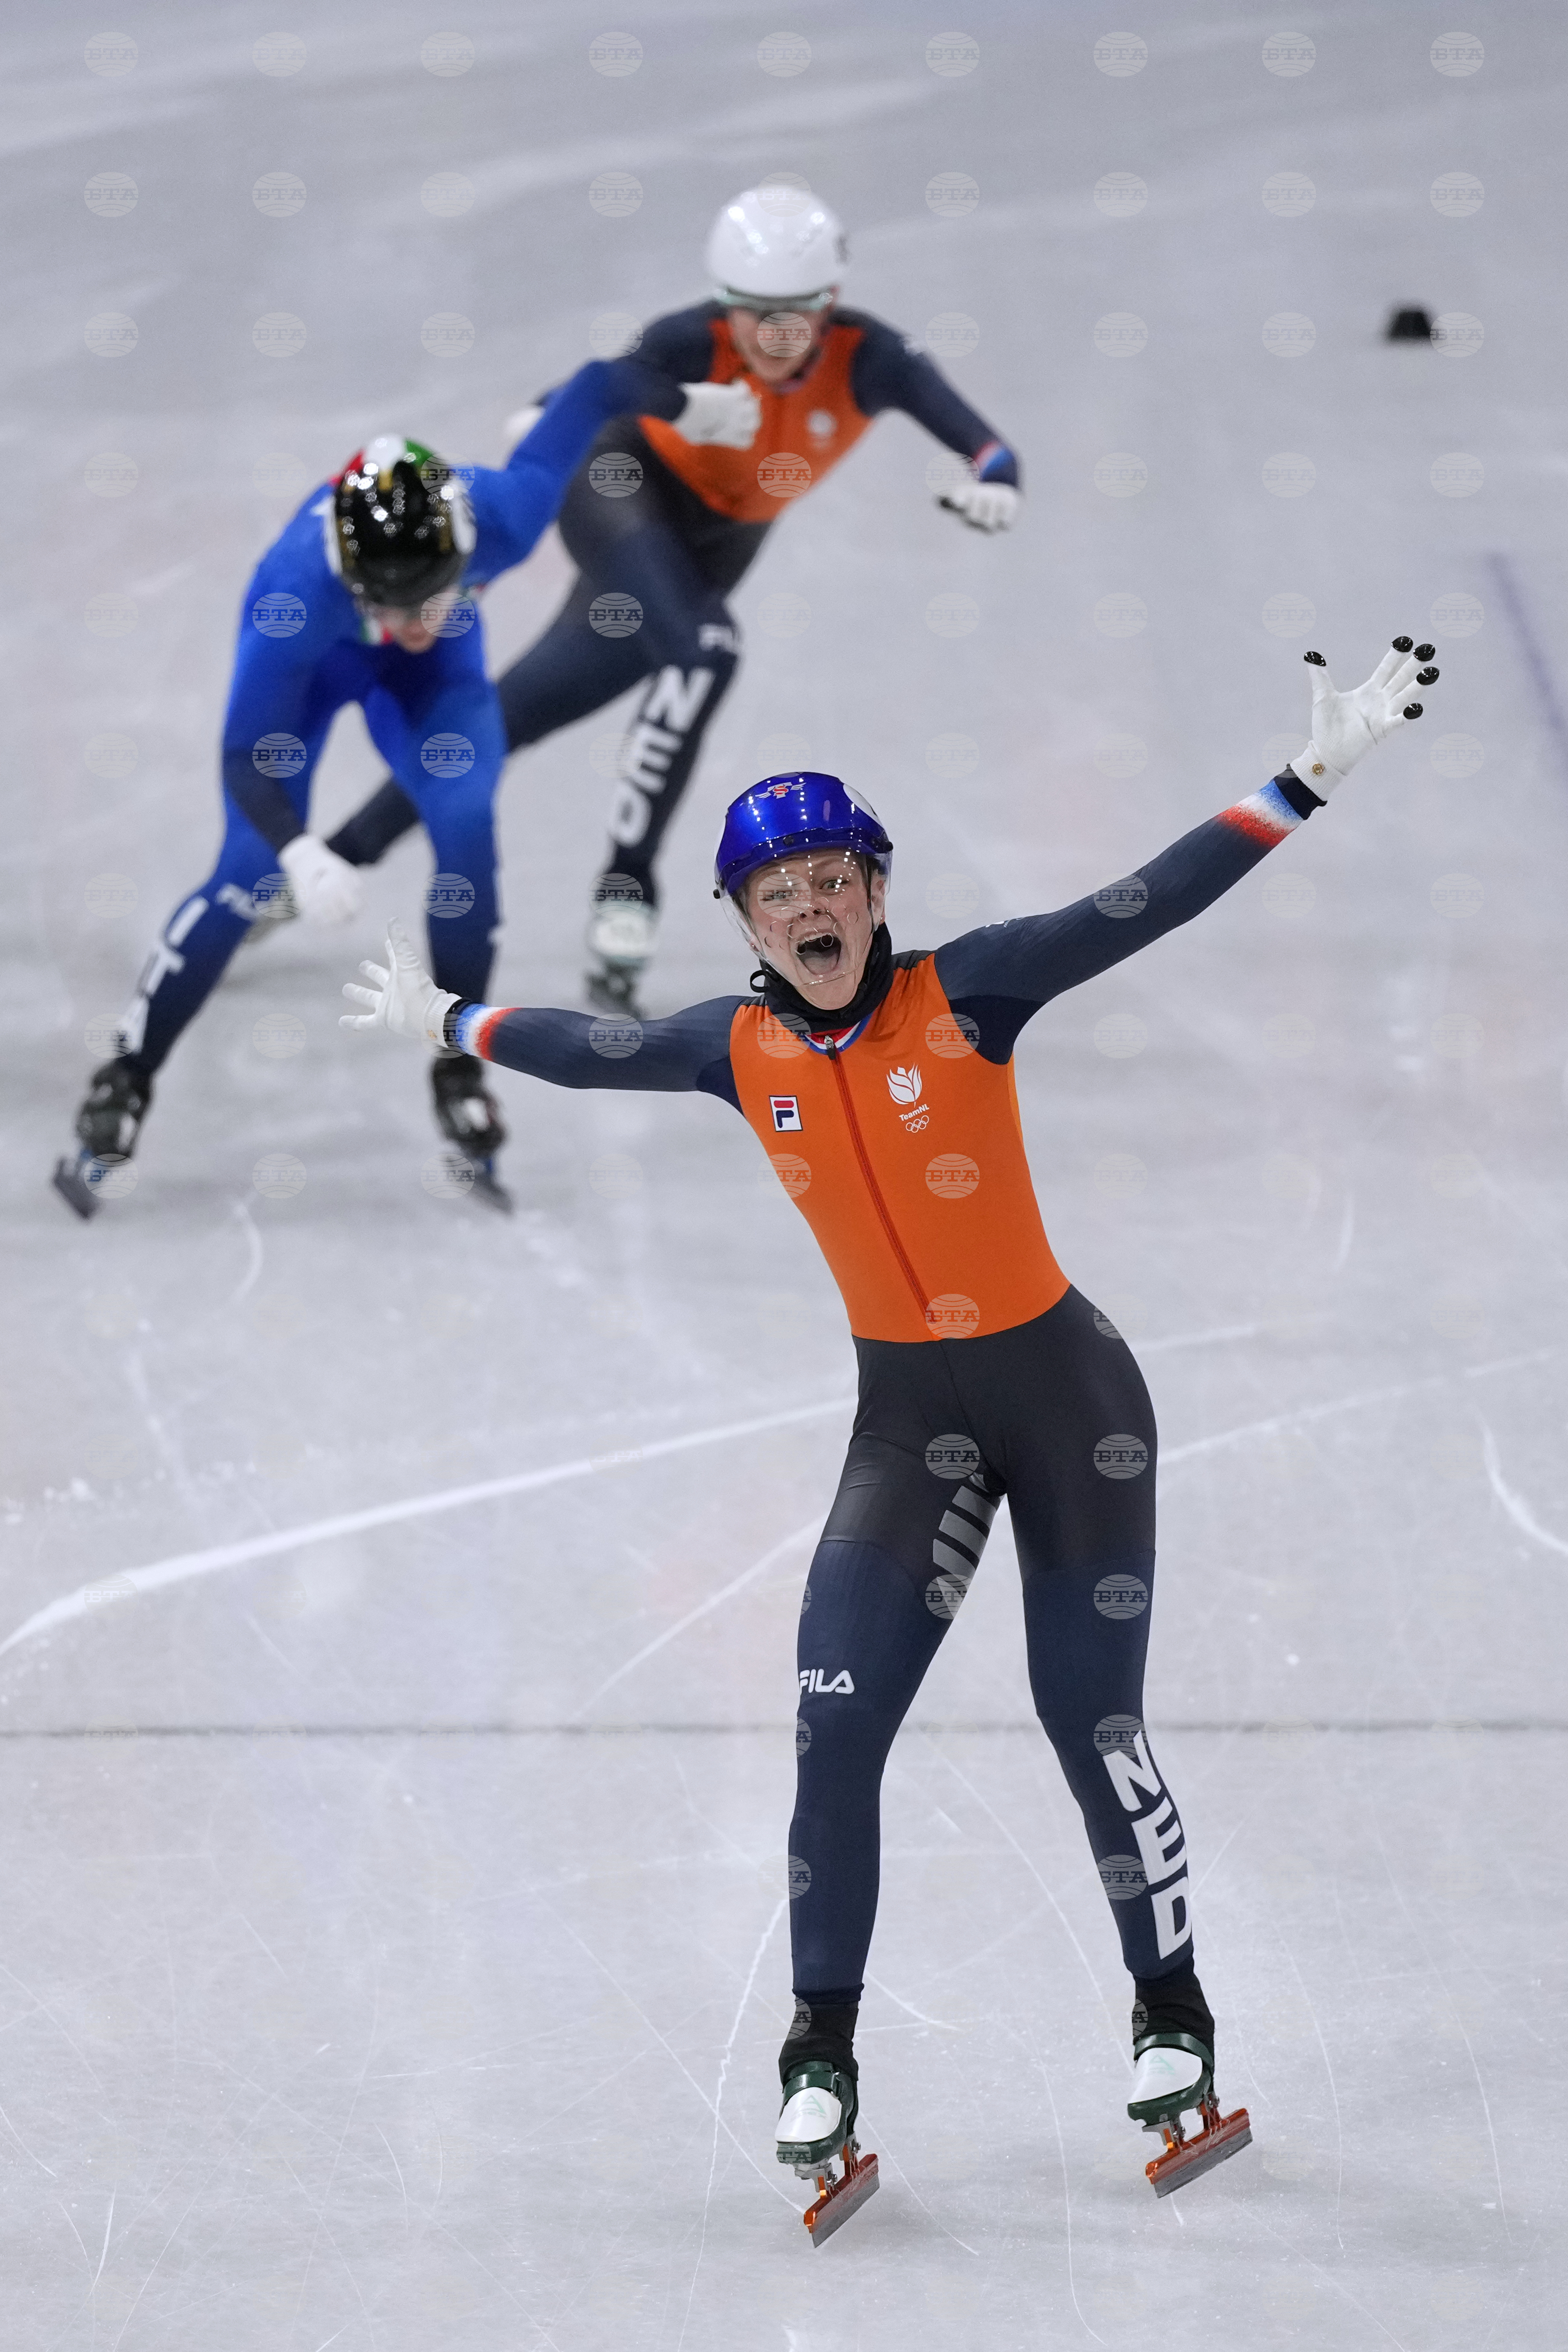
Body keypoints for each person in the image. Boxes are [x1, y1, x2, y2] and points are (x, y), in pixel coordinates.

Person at [338, 636, 1440, 2224]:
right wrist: (450, 1021)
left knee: (1089, 1723)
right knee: (832, 1725)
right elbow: (589, 1050)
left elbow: (1139, 905)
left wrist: (1304, 779)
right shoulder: (735, 1050)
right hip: (907, 1429)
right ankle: (821, 2052)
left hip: (1070, 1408)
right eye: (775, 892)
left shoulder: (969, 989)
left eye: (830, 881)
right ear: (745, 923)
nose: (808, 908)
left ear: (872, 890)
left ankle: (1171, 2017)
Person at [53, 357, 759, 1219]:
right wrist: (298, 851)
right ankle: (127, 1074)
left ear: (464, 549)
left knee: (466, 837)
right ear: (353, 582)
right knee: (246, 874)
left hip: (436, 684)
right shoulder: (294, 596)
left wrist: (693, 406)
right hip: (317, 669)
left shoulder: (504, 513)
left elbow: (601, 388)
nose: (413, 625)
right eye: (391, 609)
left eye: (431, 596)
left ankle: (457, 1062)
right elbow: (247, 757)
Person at [320, 184, 1023, 1017]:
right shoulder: (690, 340)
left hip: (714, 551)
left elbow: (989, 447)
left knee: (513, 714)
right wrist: (537, 418)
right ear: (724, 303)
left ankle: (336, 854)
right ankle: (628, 883)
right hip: (621, 490)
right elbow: (580, 395)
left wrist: (996, 483)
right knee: (708, 650)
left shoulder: (875, 359)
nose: (772, 335)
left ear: (831, 302)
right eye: (751, 312)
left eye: (795, 313)